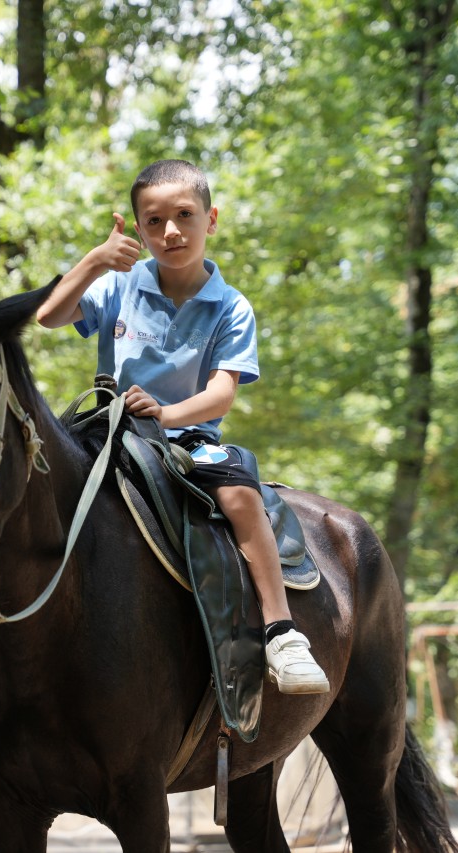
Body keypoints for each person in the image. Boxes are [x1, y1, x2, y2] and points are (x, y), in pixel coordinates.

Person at [35, 159, 329, 695]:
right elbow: (49, 315)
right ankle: (16, 644)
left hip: (188, 439)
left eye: (184, 216)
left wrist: (166, 414)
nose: (170, 231)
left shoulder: (231, 308)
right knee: (37, 480)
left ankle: (282, 632)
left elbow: (222, 392)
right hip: (110, 434)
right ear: (140, 229)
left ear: (210, 220)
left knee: (241, 494)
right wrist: (96, 261)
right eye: (154, 221)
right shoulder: (119, 285)